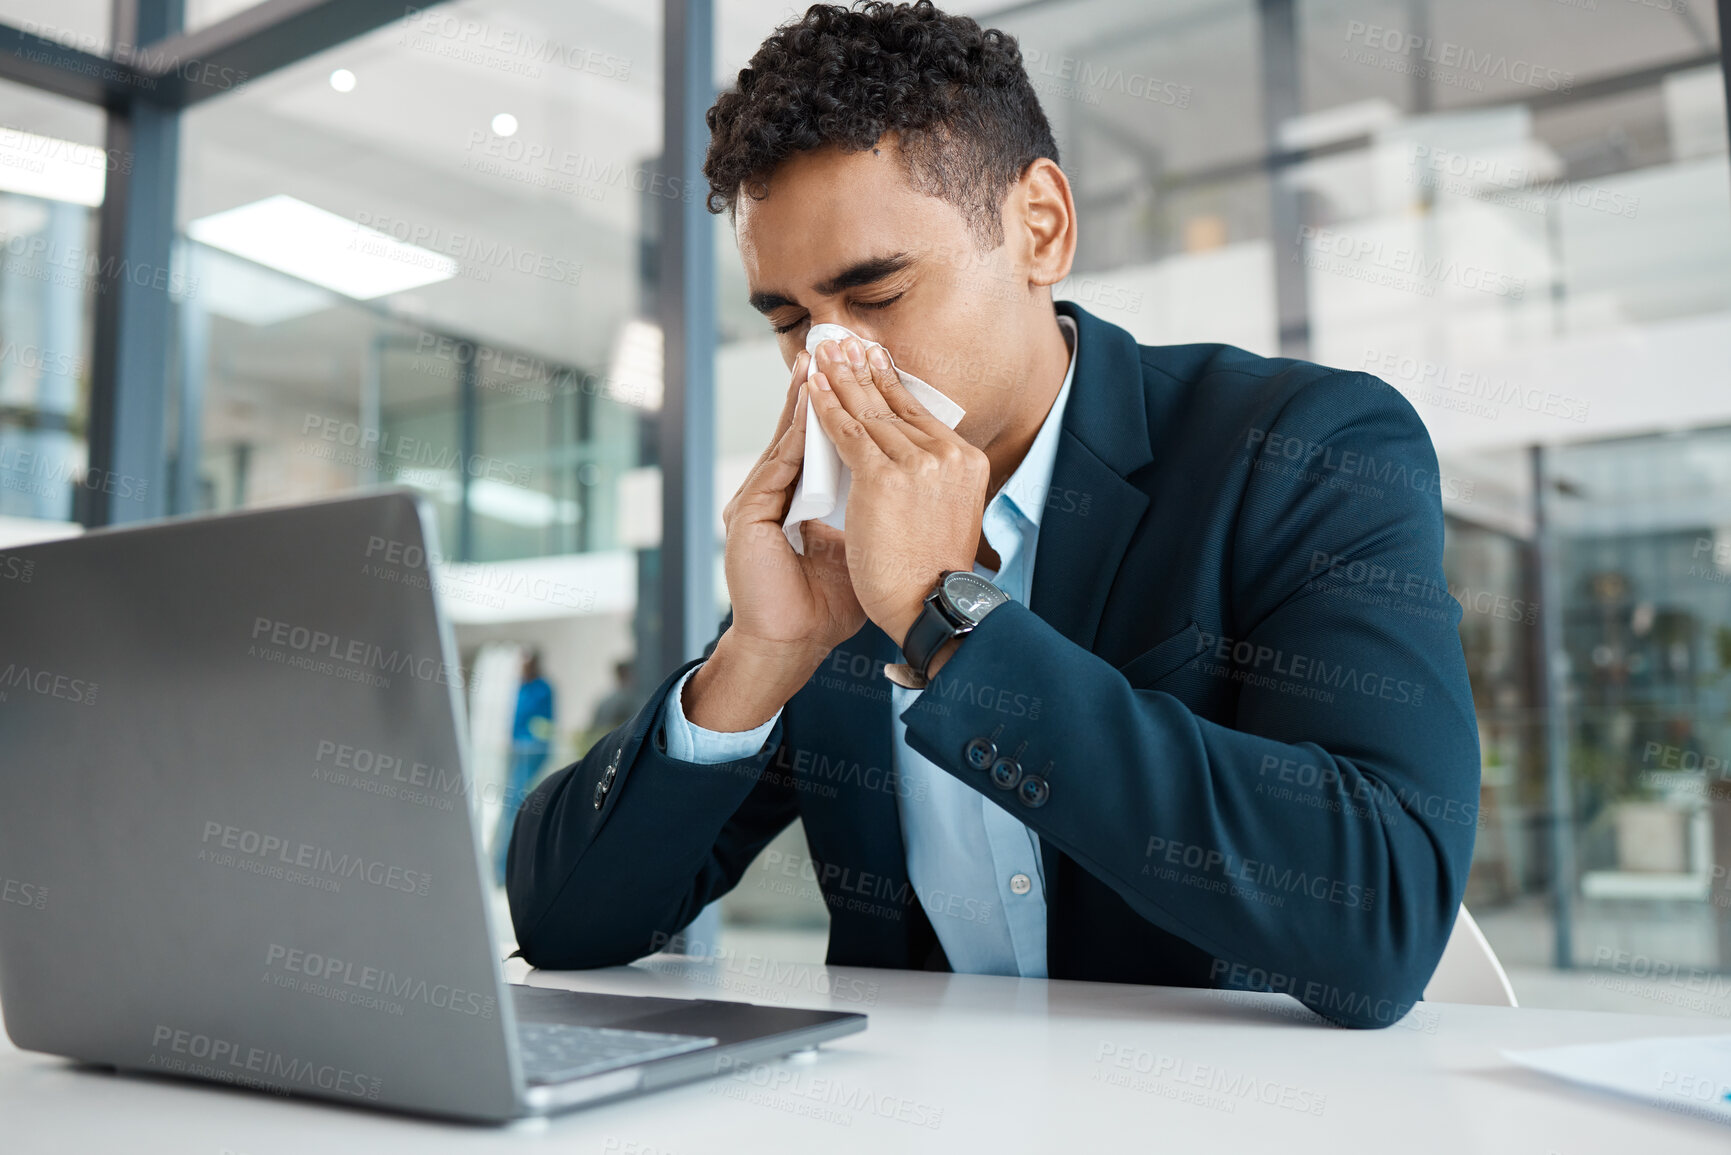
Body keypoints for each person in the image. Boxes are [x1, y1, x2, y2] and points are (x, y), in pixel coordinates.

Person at [507, 2, 1481, 1028]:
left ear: (1040, 228)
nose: (832, 366)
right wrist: (757, 656)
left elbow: (1383, 913)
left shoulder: (1306, 450)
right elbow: (570, 923)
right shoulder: (833, 554)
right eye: (790, 322)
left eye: (876, 294)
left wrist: (947, 620)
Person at [495, 650, 554, 885]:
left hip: (532, 754)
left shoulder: (543, 688)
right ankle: (502, 870)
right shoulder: (519, 687)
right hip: (517, 753)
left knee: (522, 807)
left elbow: (543, 724)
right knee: (510, 809)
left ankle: (516, 871)